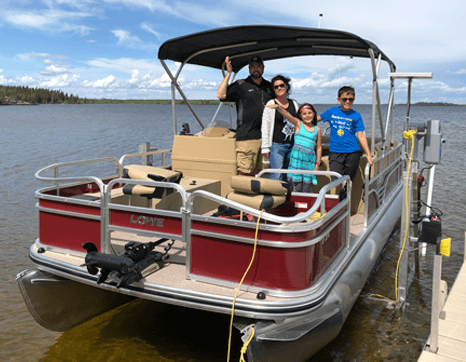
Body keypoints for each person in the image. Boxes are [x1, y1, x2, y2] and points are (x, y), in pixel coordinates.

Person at [217, 55, 275, 175]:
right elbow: (221, 95)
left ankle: (259, 193)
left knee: (264, 172)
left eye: (258, 66)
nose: (256, 69)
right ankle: (241, 193)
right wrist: (228, 73)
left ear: (263, 68)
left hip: (267, 138)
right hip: (247, 137)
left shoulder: (269, 87)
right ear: (249, 69)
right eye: (253, 67)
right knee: (244, 171)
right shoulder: (240, 85)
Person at [318, 86, 373, 182]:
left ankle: (345, 197)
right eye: (344, 99)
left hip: (352, 152)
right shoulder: (332, 111)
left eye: (350, 99)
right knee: (336, 180)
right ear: (338, 99)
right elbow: (313, 119)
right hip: (335, 152)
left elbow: (361, 136)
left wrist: (368, 154)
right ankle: (341, 196)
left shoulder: (356, 115)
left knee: (348, 181)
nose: (347, 102)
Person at [266, 102, 322, 192]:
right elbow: (287, 115)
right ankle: (295, 205)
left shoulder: (317, 129)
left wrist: (317, 163)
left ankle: (307, 205)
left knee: (307, 188)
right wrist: (278, 107)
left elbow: (319, 147)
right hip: (296, 162)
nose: (307, 115)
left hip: (309, 163)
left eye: (309, 113)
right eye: (304, 114)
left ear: (314, 114)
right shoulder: (298, 124)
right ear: (300, 116)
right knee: (295, 187)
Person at [261, 75, 299, 180]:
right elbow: (265, 126)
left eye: (281, 85)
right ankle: (273, 196)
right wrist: (265, 147)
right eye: (276, 87)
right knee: (276, 175)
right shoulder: (271, 103)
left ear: (286, 86)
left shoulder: (294, 104)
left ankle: (288, 196)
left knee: (290, 175)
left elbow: (298, 123)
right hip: (277, 146)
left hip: (293, 146)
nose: (279, 88)